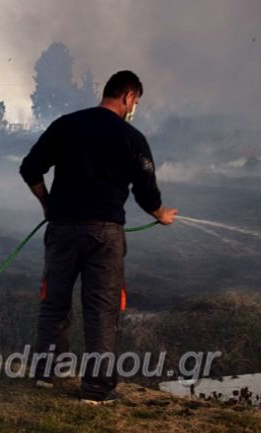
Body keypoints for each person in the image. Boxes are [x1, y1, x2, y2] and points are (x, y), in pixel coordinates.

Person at [19, 70, 177, 405]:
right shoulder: (131, 138)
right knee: (102, 310)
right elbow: (146, 192)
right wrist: (160, 214)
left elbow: (30, 168)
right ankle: (95, 389)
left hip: (62, 230)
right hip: (105, 235)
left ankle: (47, 374)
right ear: (129, 97)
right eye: (136, 102)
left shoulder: (66, 125)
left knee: (54, 302)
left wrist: (48, 204)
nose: (134, 108)